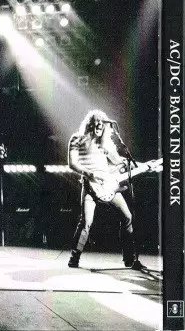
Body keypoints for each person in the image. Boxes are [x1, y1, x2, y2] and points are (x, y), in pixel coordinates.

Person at [67, 109, 144, 269]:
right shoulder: (76, 138)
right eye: (96, 124)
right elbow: (72, 163)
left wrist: (132, 163)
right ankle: (74, 257)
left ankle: (129, 259)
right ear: (89, 124)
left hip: (108, 186)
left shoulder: (105, 143)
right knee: (86, 222)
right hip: (90, 186)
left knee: (127, 216)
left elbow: (117, 161)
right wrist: (90, 174)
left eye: (102, 125)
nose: (99, 127)